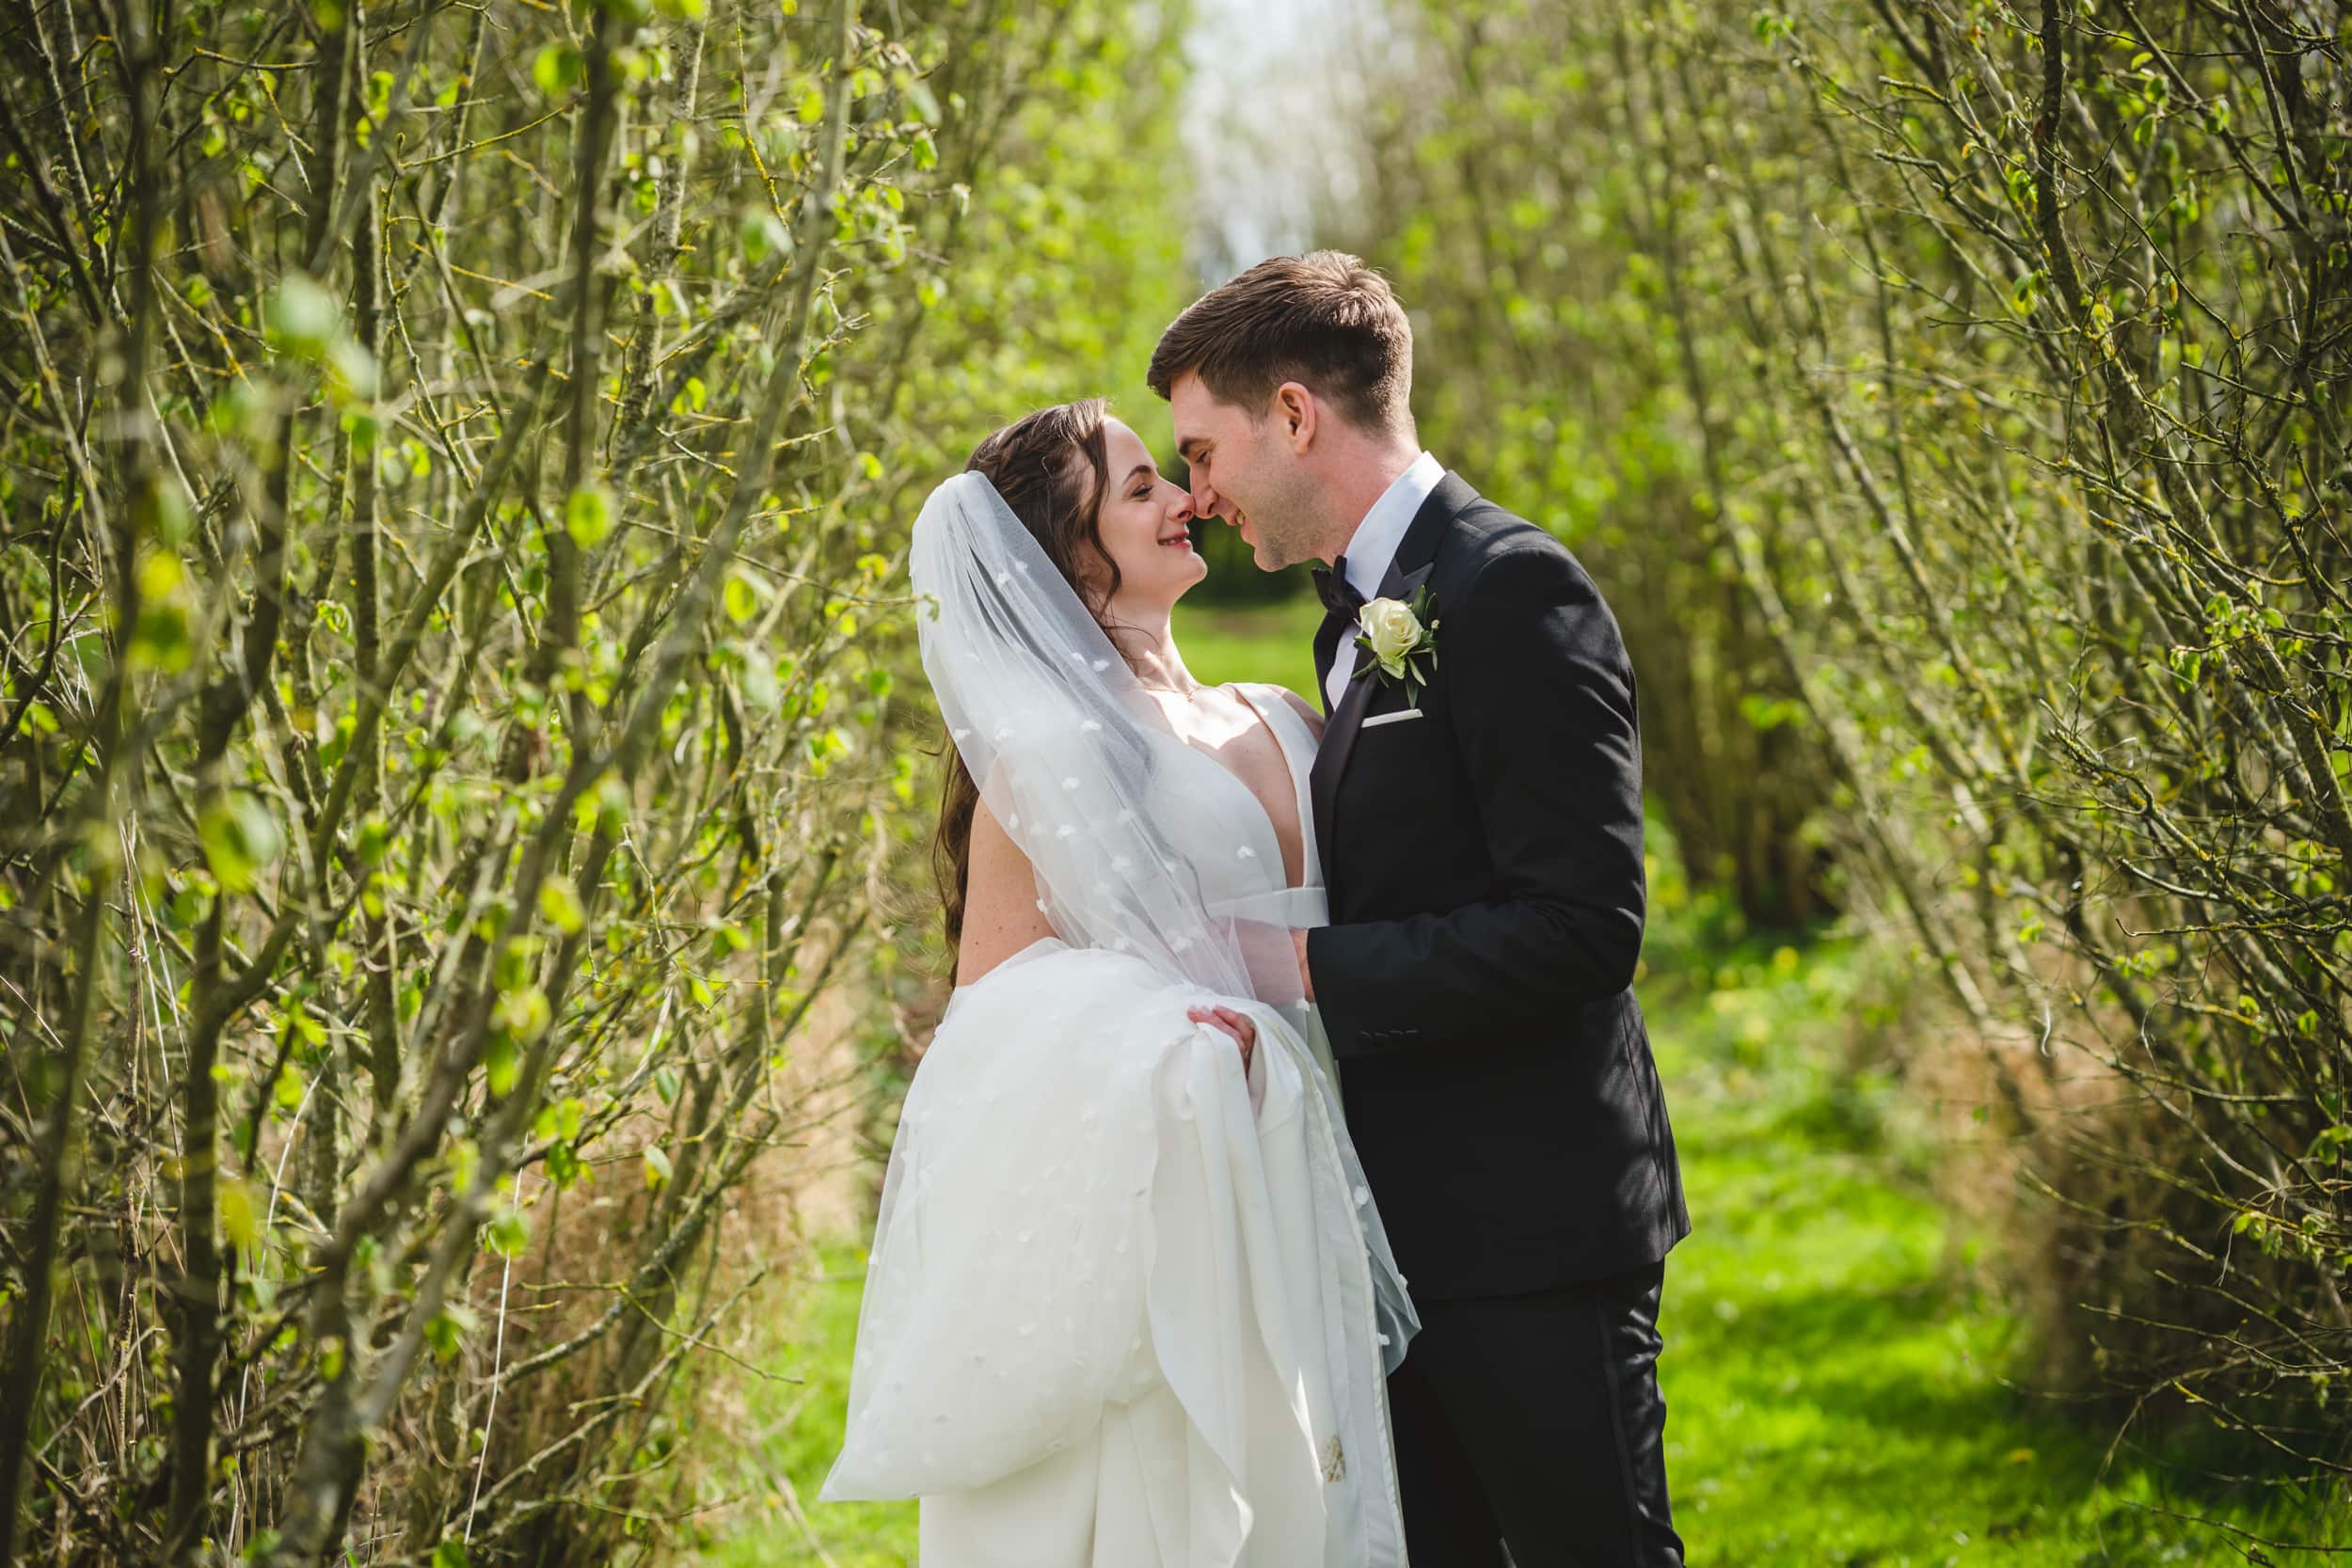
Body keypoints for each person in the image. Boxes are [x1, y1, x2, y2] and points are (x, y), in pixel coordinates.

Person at [1151, 251, 1691, 1568]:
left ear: (1293, 415)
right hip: (1396, 1238)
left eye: (1203, 449)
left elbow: (1584, 924)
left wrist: (1304, 967)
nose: (1197, 495)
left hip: (1536, 1225)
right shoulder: (1351, 620)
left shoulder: (1511, 588)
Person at [820, 399, 1417, 1567]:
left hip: (1367, 1137)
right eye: (1140, 487)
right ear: (1068, 557)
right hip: (1200, 1176)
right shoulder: (1050, 758)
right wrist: (1169, 1045)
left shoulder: (1284, 715)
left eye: (1170, 476)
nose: (1187, 499)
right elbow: (991, 1016)